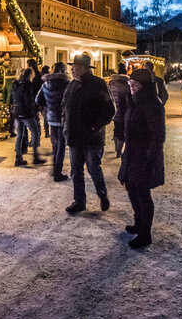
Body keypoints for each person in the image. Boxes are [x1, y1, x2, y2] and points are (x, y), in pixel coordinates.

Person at [62, 54, 115, 214]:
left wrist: (95, 126)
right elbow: (64, 105)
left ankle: (102, 194)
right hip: (74, 136)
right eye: (72, 67)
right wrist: (65, 123)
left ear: (83, 68)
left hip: (92, 137)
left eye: (74, 67)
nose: (72, 70)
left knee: (93, 168)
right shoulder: (72, 85)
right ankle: (79, 201)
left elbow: (110, 110)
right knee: (76, 170)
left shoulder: (98, 84)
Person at [119, 68, 165, 249]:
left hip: (144, 158)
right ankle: (138, 223)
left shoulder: (152, 104)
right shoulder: (134, 102)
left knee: (143, 195)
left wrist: (150, 160)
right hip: (131, 154)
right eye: (130, 84)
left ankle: (145, 233)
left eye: (135, 84)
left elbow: (158, 136)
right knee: (131, 189)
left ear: (144, 86)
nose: (131, 87)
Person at [35, 62, 70, 181]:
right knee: (61, 146)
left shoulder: (46, 84)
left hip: (51, 118)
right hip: (62, 118)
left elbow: (38, 99)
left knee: (55, 145)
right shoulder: (67, 84)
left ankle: (55, 169)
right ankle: (57, 172)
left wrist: (47, 108)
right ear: (63, 70)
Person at [12, 68, 44, 166]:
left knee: (20, 135)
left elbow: (12, 99)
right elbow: (28, 100)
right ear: (29, 75)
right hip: (26, 112)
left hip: (17, 112)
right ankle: (35, 156)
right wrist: (34, 110)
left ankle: (18, 158)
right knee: (35, 132)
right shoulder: (28, 85)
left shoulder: (16, 84)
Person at [108, 62, 131, 158]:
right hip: (124, 110)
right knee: (122, 130)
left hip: (114, 109)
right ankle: (119, 150)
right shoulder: (127, 83)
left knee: (116, 128)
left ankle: (116, 147)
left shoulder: (111, 82)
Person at [28, 58, 44, 141]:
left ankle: (36, 139)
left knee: (35, 120)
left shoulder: (36, 75)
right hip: (35, 99)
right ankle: (36, 138)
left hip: (35, 100)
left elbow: (36, 88)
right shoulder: (37, 74)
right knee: (35, 119)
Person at [2, 67, 16, 137]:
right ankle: (10, 128)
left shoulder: (7, 81)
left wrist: (4, 101)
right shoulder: (16, 80)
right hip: (15, 101)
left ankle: (9, 128)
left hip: (9, 101)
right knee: (13, 117)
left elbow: (4, 91)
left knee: (12, 116)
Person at [40, 65, 51, 138]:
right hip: (47, 100)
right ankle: (47, 132)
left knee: (45, 117)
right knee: (47, 117)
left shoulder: (39, 78)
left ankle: (46, 131)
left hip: (42, 100)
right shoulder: (49, 79)